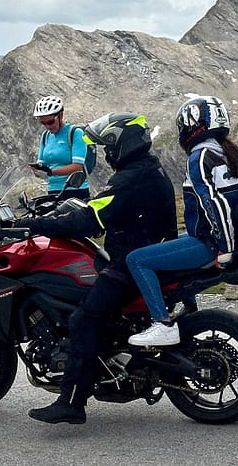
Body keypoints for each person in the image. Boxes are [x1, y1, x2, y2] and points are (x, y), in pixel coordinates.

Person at [18, 112, 177, 425]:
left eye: (109, 146)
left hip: (131, 262)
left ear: (124, 144)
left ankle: (72, 402)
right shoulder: (149, 168)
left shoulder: (129, 179)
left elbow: (89, 221)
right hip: (147, 253)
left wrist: (35, 224)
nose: (106, 152)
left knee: (82, 320)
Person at [126, 96, 238, 347]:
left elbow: (212, 203)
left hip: (209, 242)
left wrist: (225, 249)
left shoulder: (200, 156)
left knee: (137, 259)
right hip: (229, 237)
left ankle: (162, 324)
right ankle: (189, 309)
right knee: (169, 244)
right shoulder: (224, 151)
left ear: (192, 124)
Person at [29, 96, 91, 201]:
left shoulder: (75, 133)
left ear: (60, 115)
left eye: (50, 122)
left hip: (75, 190)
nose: (47, 126)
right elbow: (42, 165)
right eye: (43, 123)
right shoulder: (45, 136)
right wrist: (38, 170)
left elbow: (77, 167)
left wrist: (51, 172)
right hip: (53, 190)